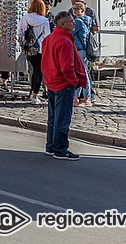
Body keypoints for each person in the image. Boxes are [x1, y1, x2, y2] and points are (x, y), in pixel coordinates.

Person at [41, 11, 87, 160]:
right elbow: (67, 66)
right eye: (71, 21)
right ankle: (60, 149)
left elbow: (46, 61)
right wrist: (73, 81)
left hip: (52, 81)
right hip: (62, 83)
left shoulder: (49, 38)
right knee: (62, 118)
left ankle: (51, 146)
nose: (74, 23)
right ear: (62, 24)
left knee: (53, 117)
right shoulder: (64, 41)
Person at [18, 0, 51, 105]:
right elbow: (47, 36)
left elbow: (19, 32)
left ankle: (32, 92)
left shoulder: (25, 17)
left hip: (28, 48)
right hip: (40, 49)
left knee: (33, 70)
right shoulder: (44, 20)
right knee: (38, 71)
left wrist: (23, 42)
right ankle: (35, 94)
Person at [70, 1, 94, 107]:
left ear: (82, 10)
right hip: (81, 50)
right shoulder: (87, 20)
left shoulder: (79, 21)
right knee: (80, 73)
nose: (74, 10)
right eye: (73, 8)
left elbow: (70, 32)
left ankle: (86, 98)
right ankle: (76, 97)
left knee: (83, 74)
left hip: (80, 50)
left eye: (76, 9)